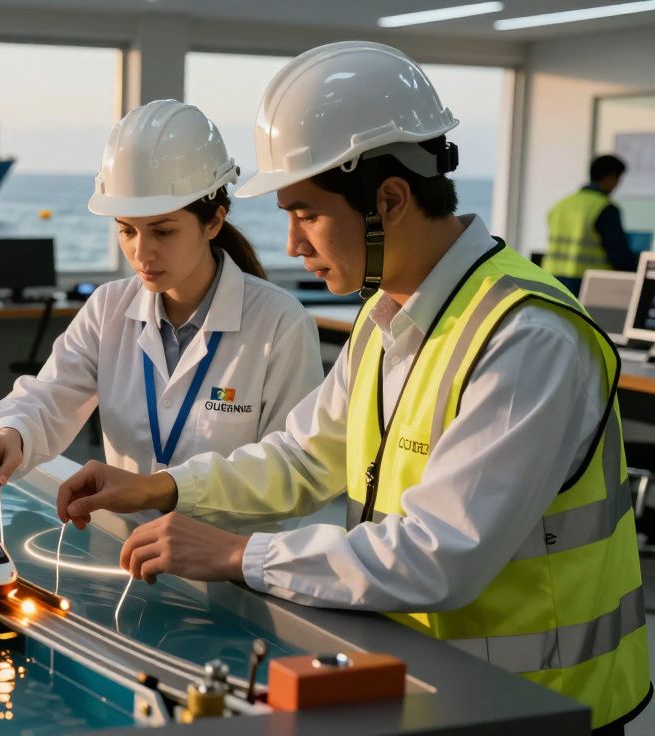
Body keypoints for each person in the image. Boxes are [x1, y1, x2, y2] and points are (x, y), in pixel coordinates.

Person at [55, 42, 649, 733]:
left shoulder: (526, 340)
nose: (292, 245)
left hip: (536, 705)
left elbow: (439, 555)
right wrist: (162, 488)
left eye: (305, 213)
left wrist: (237, 554)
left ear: (390, 200)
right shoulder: (387, 313)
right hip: (424, 680)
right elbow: (303, 458)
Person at [0, 100, 322, 501]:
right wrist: (11, 433)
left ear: (214, 221)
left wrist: (170, 493)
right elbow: (48, 398)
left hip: (228, 556)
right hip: (125, 549)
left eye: (163, 232)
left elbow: (292, 473)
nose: (141, 253)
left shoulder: (280, 324)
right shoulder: (107, 308)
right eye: (127, 231)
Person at [543, 155, 637, 294]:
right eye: (618, 179)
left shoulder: (562, 204)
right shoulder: (604, 208)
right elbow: (619, 255)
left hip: (552, 280)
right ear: (611, 177)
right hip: (589, 284)